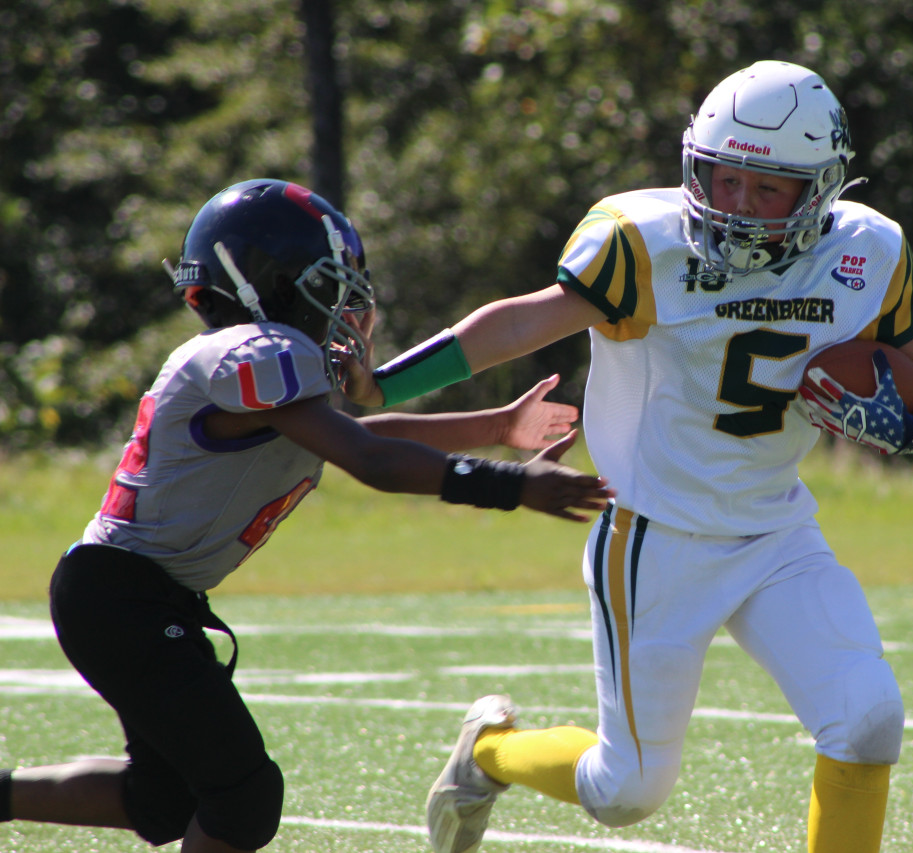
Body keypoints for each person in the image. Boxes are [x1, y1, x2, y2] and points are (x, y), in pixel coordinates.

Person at [350, 60, 913, 853]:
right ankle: (487, 753)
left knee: (867, 716)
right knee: (625, 792)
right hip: (655, 537)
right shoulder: (644, 244)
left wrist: (911, 429)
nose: (738, 206)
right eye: (724, 180)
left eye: (767, 189)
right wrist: (382, 385)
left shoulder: (866, 252)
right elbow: (515, 324)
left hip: (775, 532)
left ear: (820, 189)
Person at [0, 178, 613, 852]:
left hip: (123, 593)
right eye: (334, 282)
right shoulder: (255, 352)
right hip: (119, 598)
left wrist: (495, 425)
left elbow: (374, 435)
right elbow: (371, 459)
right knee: (243, 795)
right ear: (278, 282)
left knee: (165, 796)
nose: (350, 304)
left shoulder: (263, 373)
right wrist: (512, 485)